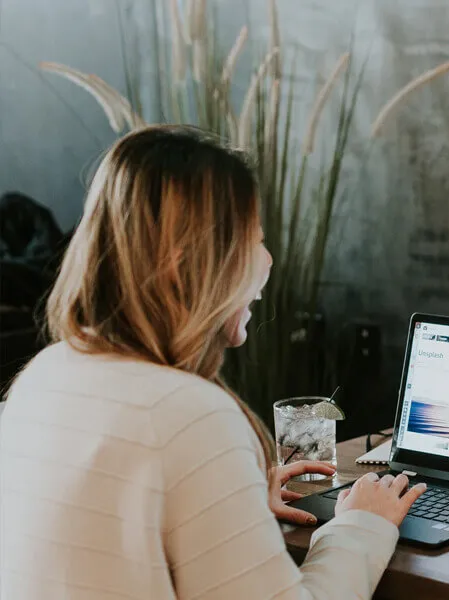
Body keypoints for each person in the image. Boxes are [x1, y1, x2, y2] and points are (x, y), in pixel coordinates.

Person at [0, 125, 426, 598]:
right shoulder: (190, 416)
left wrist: (230, 500)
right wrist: (362, 525)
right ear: (189, 264)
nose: (267, 261)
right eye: (253, 241)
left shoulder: (42, 376)